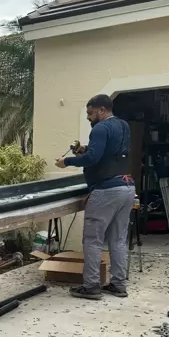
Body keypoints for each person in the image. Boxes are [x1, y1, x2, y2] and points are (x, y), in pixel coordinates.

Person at [55, 94, 136, 300]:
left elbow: (92, 159)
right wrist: (84, 149)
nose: (89, 118)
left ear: (102, 110)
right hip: (127, 187)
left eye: (91, 113)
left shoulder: (100, 128)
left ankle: (91, 287)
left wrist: (68, 162)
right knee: (118, 240)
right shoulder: (123, 126)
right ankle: (118, 285)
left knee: (93, 240)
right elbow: (110, 153)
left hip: (106, 190)